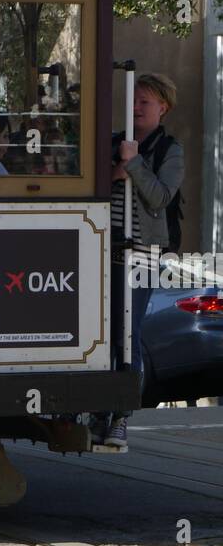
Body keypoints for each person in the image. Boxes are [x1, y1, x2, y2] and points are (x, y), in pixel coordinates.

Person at [92, 72, 184, 450]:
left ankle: (120, 416)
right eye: (134, 101)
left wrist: (132, 164)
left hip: (141, 257)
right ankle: (98, 408)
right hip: (102, 251)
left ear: (163, 107)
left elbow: (159, 198)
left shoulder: (169, 149)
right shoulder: (114, 142)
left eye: (145, 102)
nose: (136, 108)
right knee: (99, 335)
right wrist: (119, 165)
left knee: (126, 335)